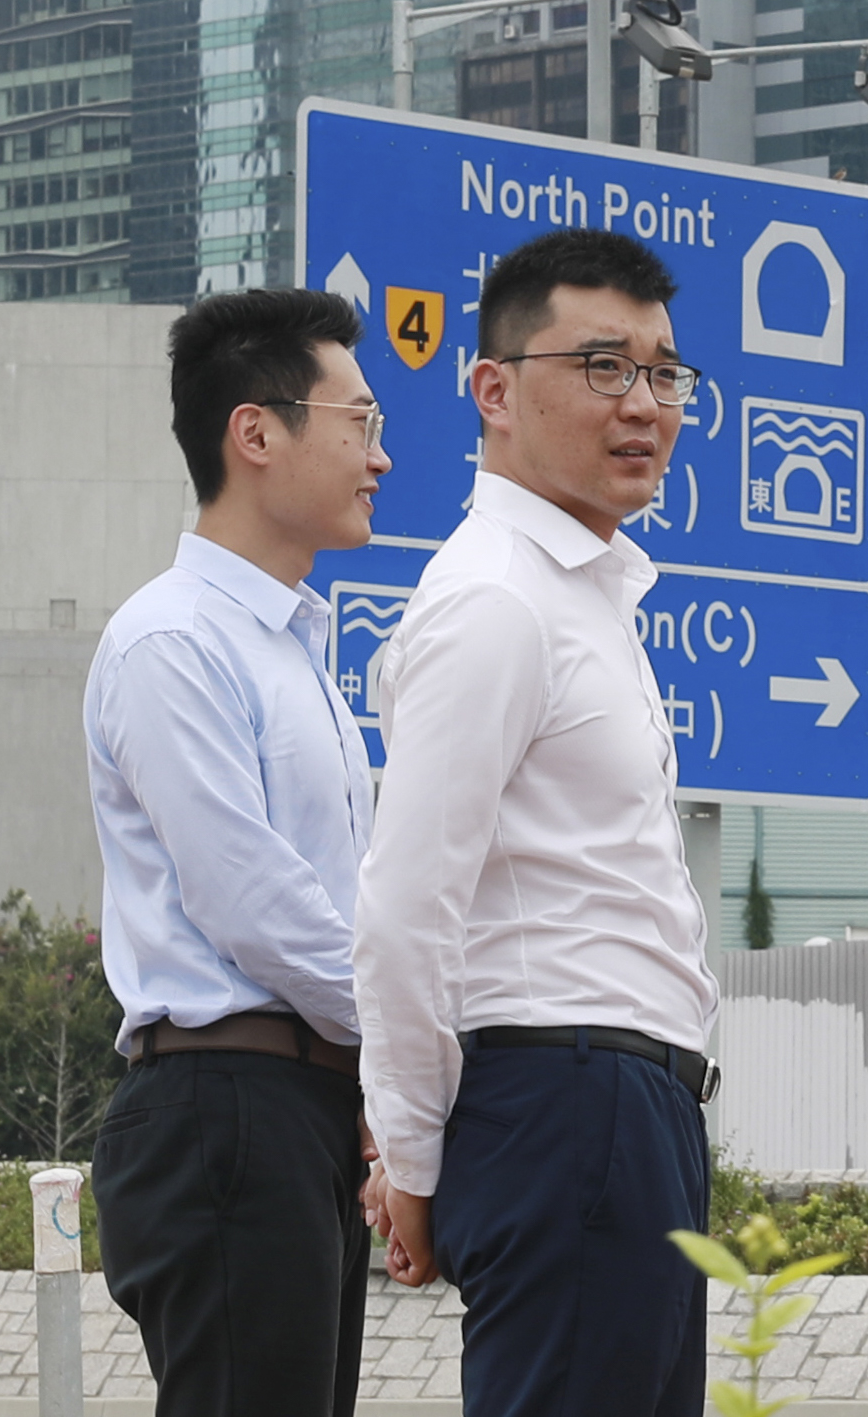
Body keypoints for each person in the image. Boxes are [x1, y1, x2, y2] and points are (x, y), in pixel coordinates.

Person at [353, 228, 720, 1417]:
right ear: (493, 389)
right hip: (564, 1106)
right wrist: (409, 1156)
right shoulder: (496, 601)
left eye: (665, 374)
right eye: (604, 366)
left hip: (630, 1112)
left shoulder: (585, 597)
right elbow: (407, 907)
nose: (645, 405)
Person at [84, 288, 393, 1417]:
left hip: (299, 1106)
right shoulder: (173, 640)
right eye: (358, 422)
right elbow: (249, 898)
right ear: (255, 433)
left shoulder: (298, 650)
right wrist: (410, 1038)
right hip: (226, 1106)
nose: (382, 457)